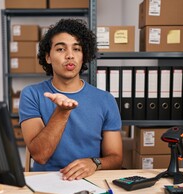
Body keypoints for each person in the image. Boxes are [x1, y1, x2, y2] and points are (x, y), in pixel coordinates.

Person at [19, 18, 122, 180]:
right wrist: (62, 112)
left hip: (91, 180)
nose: (69, 55)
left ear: (84, 56)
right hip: (46, 180)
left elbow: (115, 157)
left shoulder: (105, 99)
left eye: (77, 49)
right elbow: (40, 155)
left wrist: (94, 163)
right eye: (60, 49)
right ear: (48, 57)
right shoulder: (32, 94)